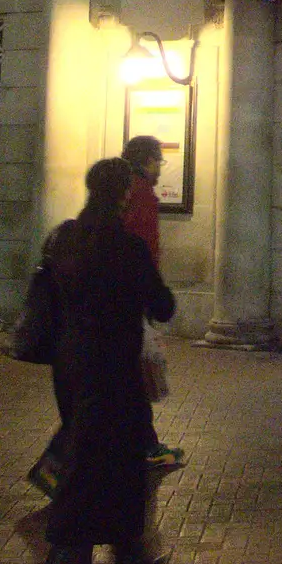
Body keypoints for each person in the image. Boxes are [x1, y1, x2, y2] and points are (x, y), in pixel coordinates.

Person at [35, 158, 176, 564]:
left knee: (113, 452)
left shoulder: (63, 239)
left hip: (70, 364)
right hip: (113, 367)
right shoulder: (124, 247)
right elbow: (163, 305)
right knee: (94, 460)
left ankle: (128, 551)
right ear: (122, 195)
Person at [121, 136, 185, 471]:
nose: (161, 166)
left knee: (121, 379)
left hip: (113, 302)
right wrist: (153, 296)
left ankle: (141, 442)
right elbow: (142, 251)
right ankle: (145, 446)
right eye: (158, 160)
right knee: (133, 376)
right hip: (131, 302)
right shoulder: (142, 194)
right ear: (146, 161)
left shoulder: (120, 194)